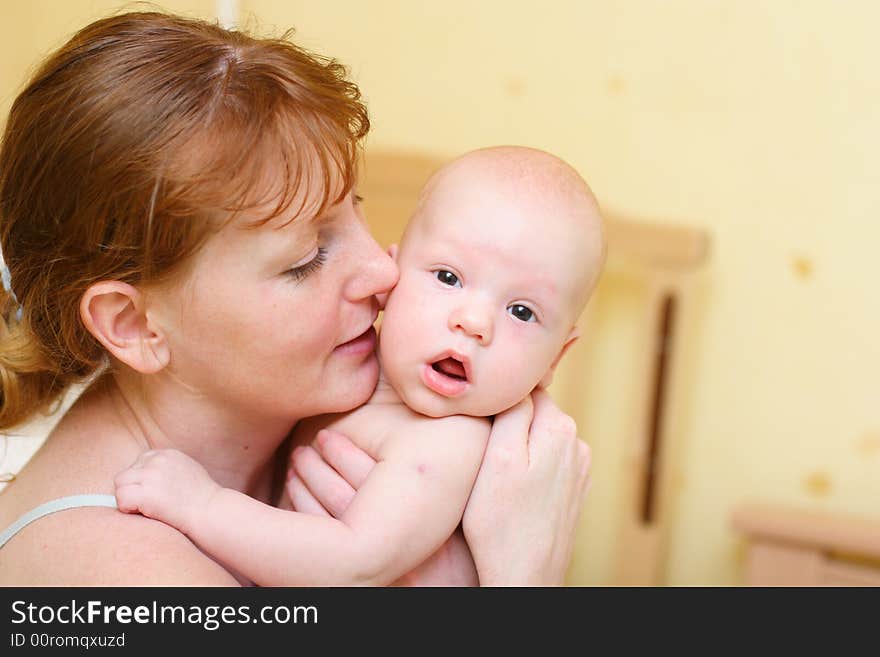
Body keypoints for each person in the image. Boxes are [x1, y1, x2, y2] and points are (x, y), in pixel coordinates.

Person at [0, 11, 590, 586]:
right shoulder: (129, 579)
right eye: (305, 259)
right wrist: (525, 573)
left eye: (355, 209)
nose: (383, 273)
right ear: (133, 325)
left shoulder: (313, 424)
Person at [113, 145, 604, 586]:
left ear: (555, 357)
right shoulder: (344, 375)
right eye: (448, 277)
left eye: (522, 311)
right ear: (393, 279)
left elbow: (354, 564)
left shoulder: (450, 441)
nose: (474, 322)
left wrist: (203, 505)